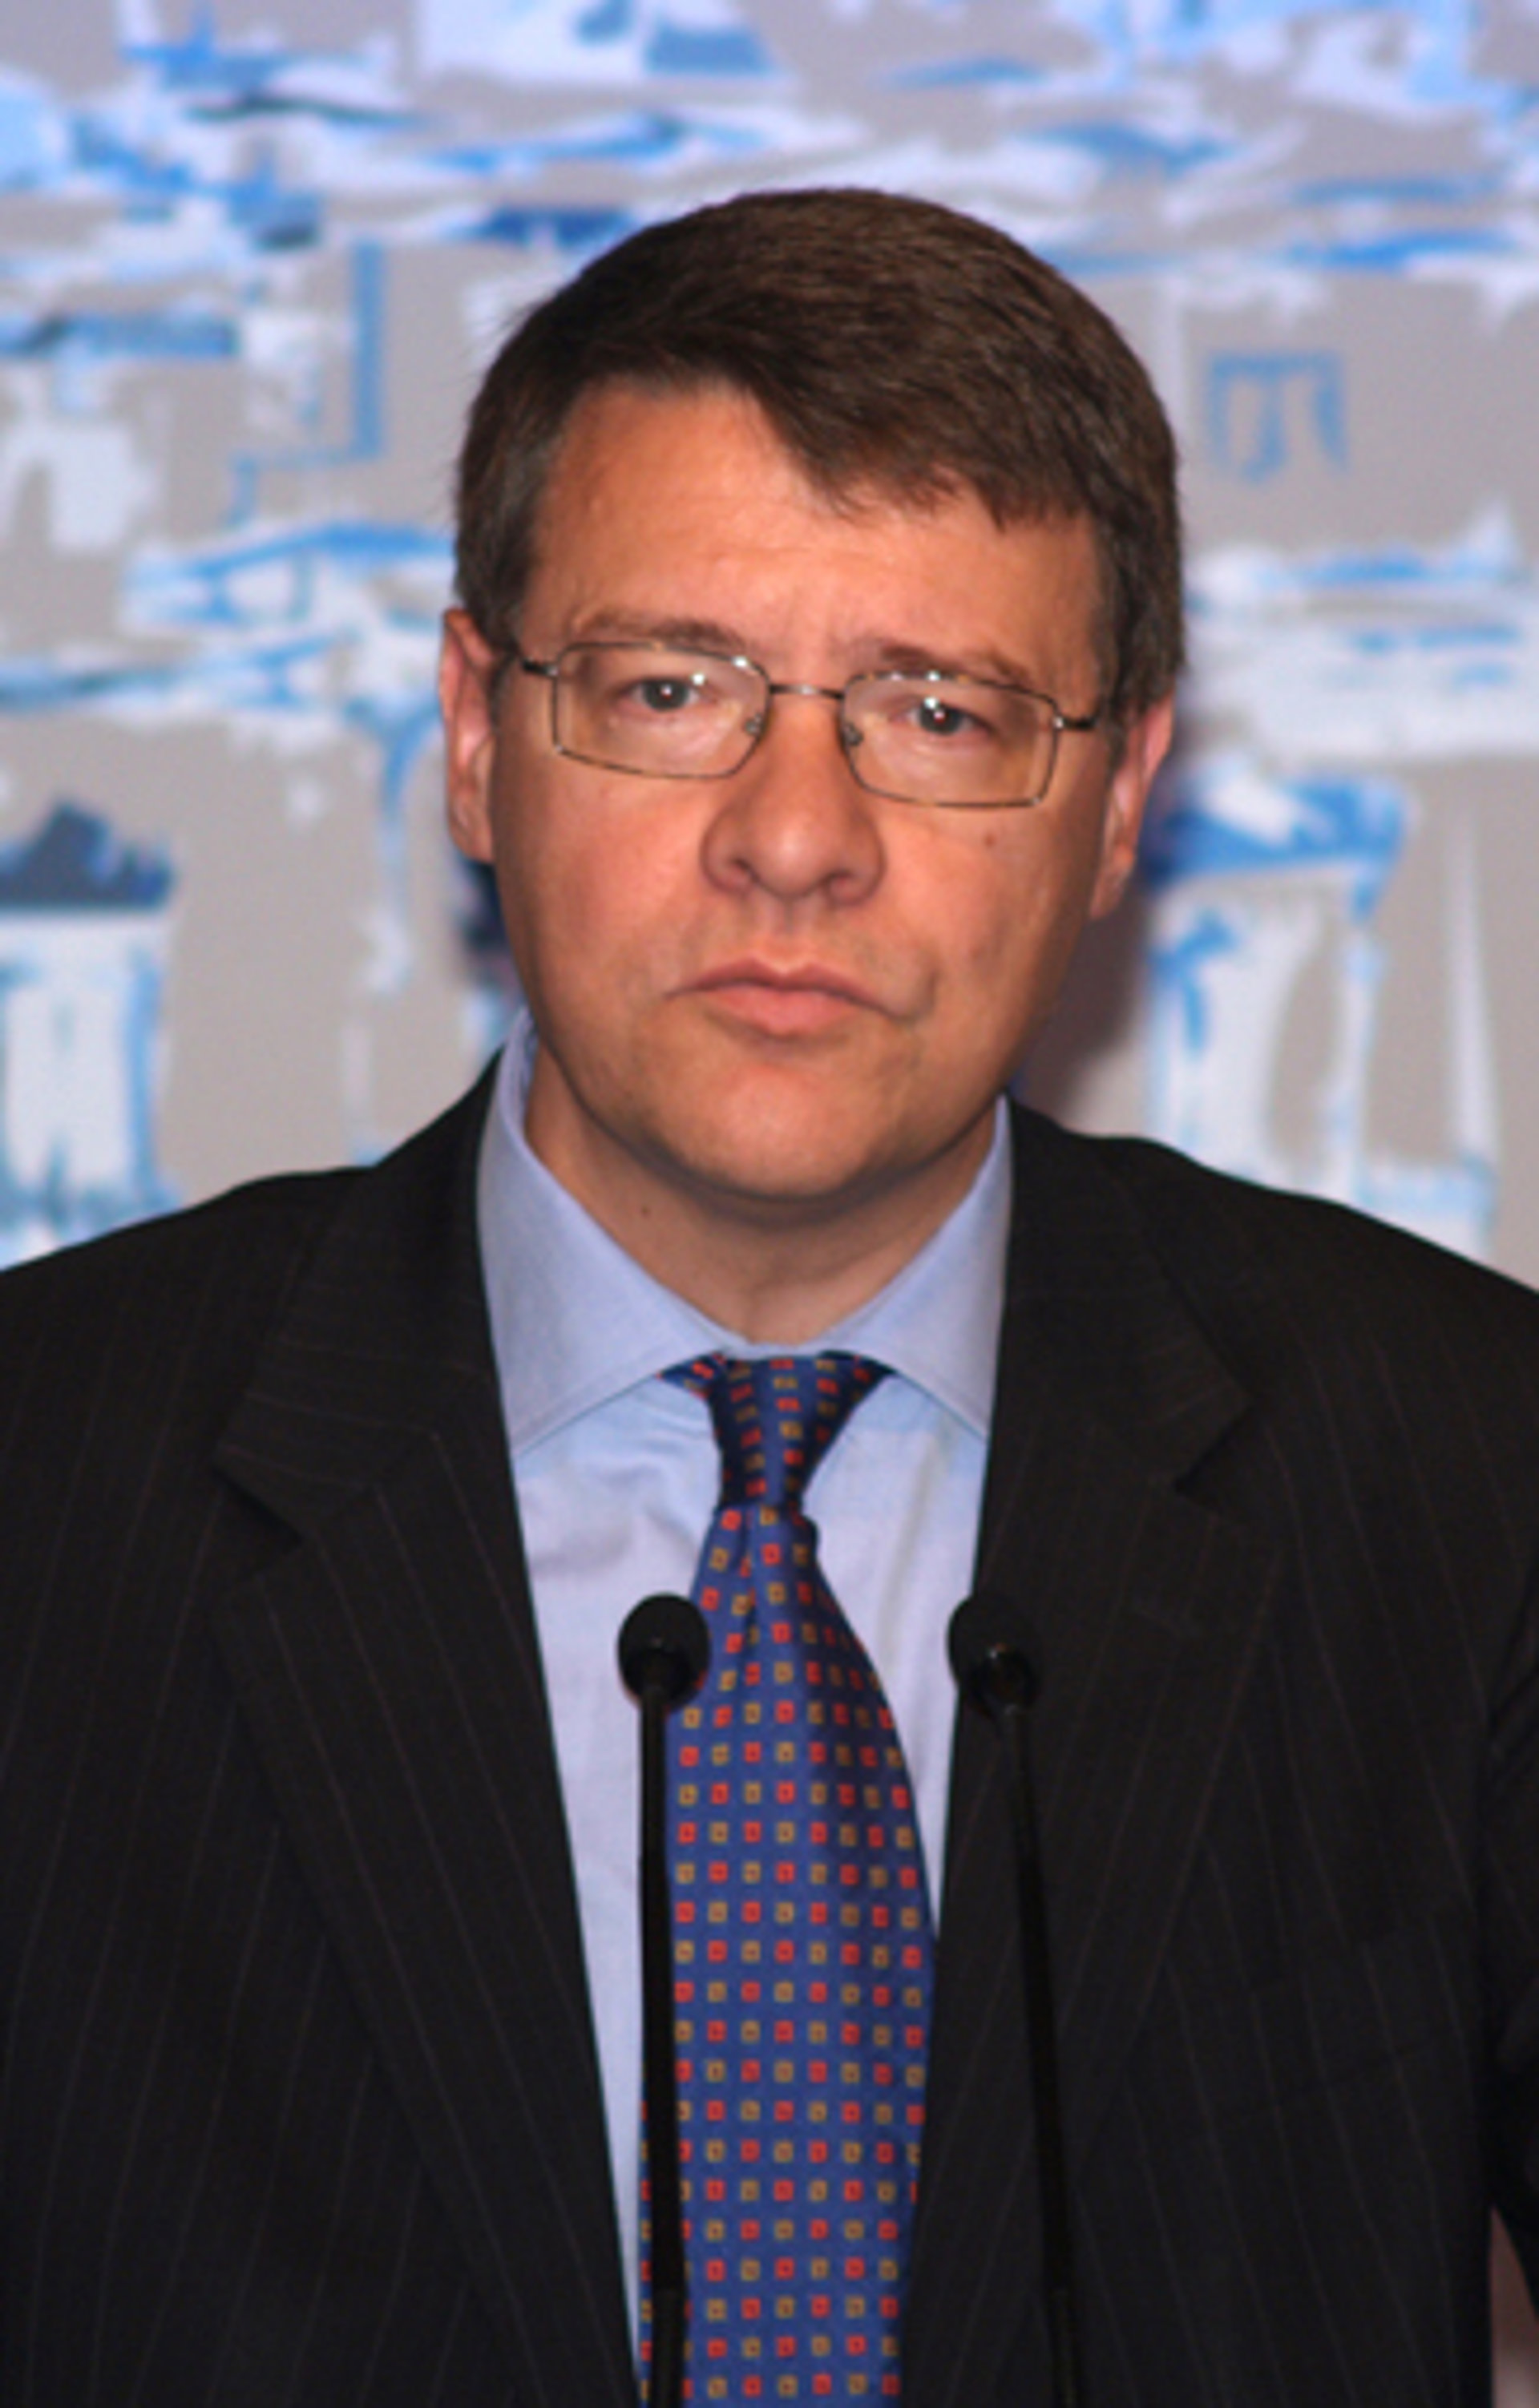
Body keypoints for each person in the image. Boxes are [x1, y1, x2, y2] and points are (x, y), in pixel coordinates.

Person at [2, 185, 1537, 2408]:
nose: (796, 836)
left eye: (940, 710)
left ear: (1119, 803)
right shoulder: (46, 1487)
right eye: (671, 688)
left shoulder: (1467, 1477)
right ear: (475, 732)